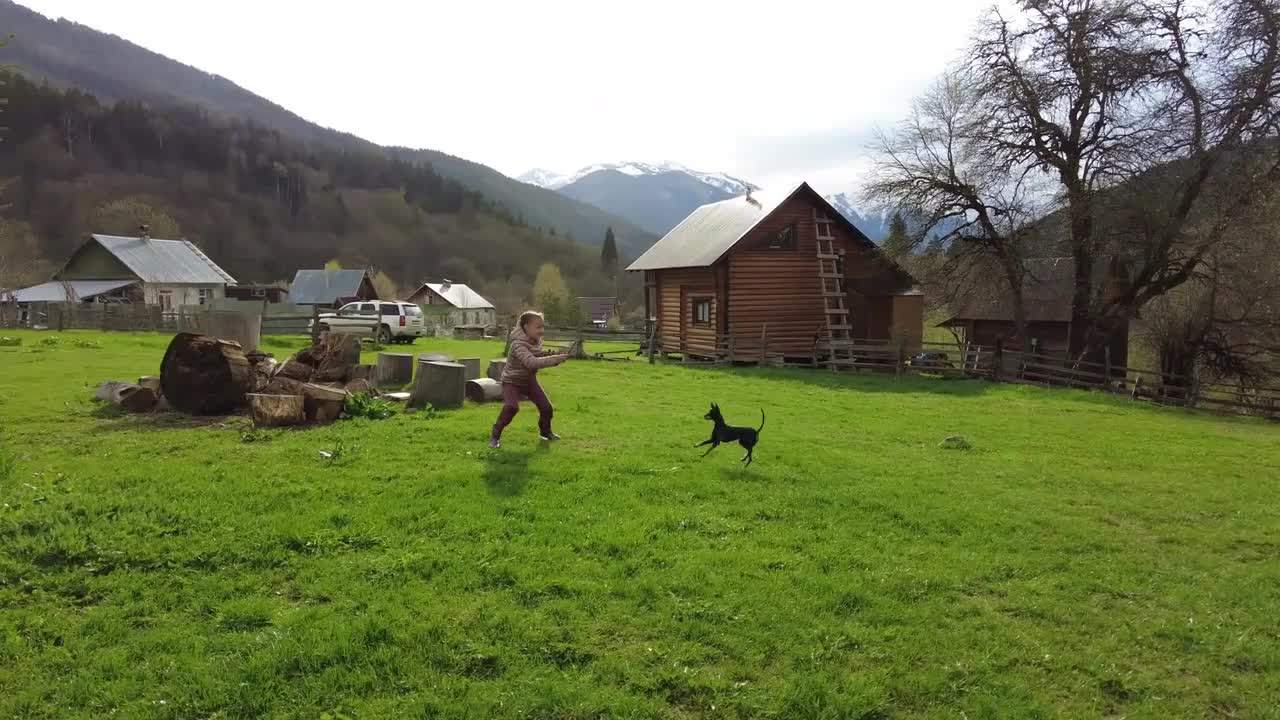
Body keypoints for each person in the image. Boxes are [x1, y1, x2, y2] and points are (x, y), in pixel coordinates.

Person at [490, 310, 569, 448]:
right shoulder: (517, 345)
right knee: (511, 407)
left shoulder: (535, 342)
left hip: (529, 381)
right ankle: (495, 436)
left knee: (546, 408)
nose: (541, 330)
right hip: (512, 382)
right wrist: (554, 358)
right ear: (526, 327)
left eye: (542, 327)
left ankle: (545, 433)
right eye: (538, 327)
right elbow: (531, 362)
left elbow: (538, 354)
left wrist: (557, 356)